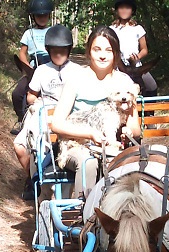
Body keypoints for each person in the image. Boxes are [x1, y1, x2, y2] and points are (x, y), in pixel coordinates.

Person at [51, 26, 141, 197]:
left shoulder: (124, 81)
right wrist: (90, 134)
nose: (102, 55)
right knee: (89, 163)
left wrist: (128, 131)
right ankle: (85, 213)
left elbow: (135, 128)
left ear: (115, 53)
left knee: (126, 162)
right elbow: (57, 123)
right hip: (77, 145)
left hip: (111, 146)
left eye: (108, 50)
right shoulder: (76, 78)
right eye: (97, 49)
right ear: (89, 51)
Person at [14, 24, 80, 200]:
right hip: (44, 114)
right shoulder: (42, 71)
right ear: (49, 50)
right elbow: (30, 96)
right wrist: (38, 101)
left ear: (69, 50)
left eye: (62, 50)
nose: (58, 54)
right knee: (19, 146)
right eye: (54, 51)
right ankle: (34, 178)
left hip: (68, 116)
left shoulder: (78, 71)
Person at [11, 0, 53, 134]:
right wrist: (28, 67)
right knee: (17, 93)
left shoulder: (53, 32)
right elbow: (22, 52)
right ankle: (21, 119)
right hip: (34, 68)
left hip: (50, 66)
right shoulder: (29, 33)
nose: (42, 18)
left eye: (45, 15)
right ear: (33, 17)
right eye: (39, 15)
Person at [111, 0, 157, 96]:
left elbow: (144, 49)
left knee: (152, 85)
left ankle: (150, 111)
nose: (124, 10)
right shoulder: (111, 30)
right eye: (121, 8)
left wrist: (137, 57)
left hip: (136, 68)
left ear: (132, 10)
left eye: (127, 8)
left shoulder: (138, 29)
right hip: (118, 67)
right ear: (117, 10)